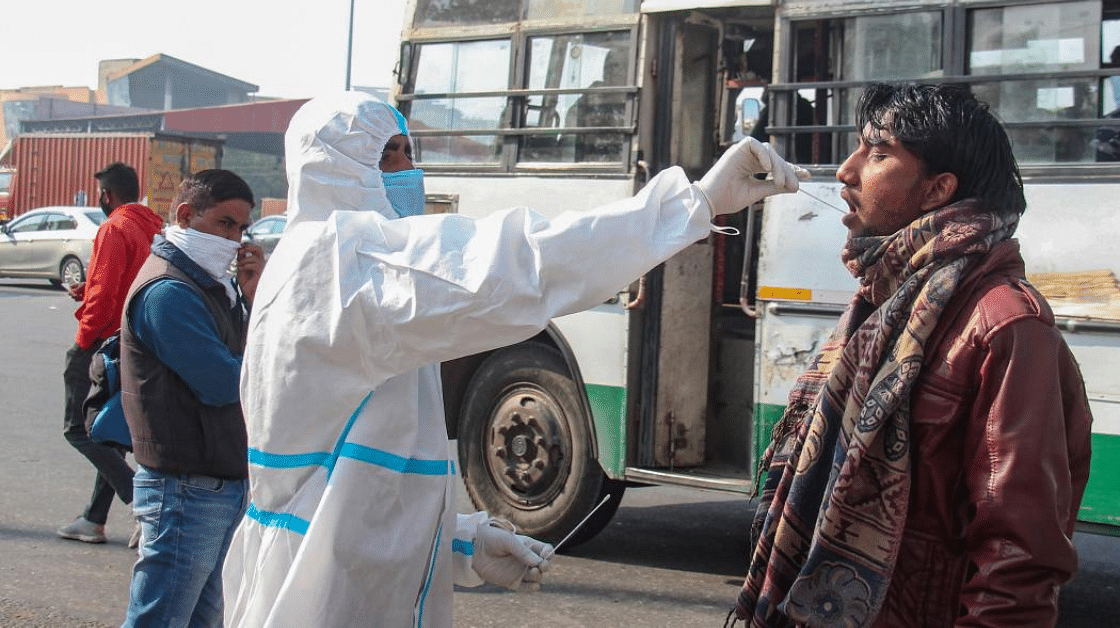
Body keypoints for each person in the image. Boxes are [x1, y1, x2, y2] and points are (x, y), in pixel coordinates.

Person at [221, 91, 804, 627]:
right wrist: (692, 203)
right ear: (335, 170)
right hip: (321, 595)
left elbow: (356, 476)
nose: (409, 174)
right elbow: (520, 265)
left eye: (408, 152)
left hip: (335, 572)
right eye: (387, 158)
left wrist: (460, 540)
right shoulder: (343, 264)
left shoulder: (319, 265)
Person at [733, 83, 1093, 627]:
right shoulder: (883, 302)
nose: (845, 172)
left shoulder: (1006, 326)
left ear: (936, 191)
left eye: (877, 154)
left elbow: (1020, 558)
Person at [119, 169, 264, 628]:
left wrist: (253, 296)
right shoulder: (168, 292)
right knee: (160, 618)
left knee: (201, 619)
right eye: (225, 224)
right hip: (186, 489)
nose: (234, 239)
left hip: (213, 482)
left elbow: (235, 354)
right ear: (186, 215)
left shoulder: (206, 285)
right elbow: (222, 382)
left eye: (242, 228)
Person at [57, 162, 162, 546]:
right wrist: (86, 290)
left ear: (106, 196)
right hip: (138, 343)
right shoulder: (152, 226)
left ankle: (144, 502)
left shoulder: (114, 227)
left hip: (104, 342)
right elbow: (125, 282)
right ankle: (93, 519)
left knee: (79, 429)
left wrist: (82, 343)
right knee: (110, 431)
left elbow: (103, 300)